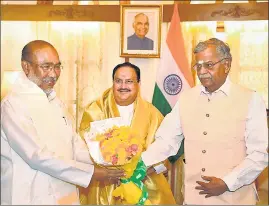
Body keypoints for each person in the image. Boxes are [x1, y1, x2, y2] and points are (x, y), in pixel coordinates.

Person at [141, 38, 268, 205]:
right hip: (194, 199)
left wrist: (227, 183)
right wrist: (139, 165)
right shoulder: (186, 99)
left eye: (209, 65)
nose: (201, 71)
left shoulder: (251, 99)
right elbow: (166, 141)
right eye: (198, 66)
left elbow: (260, 153)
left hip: (235, 198)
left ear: (227, 65)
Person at [1, 40, 124, 205]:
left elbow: (74, 145)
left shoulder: (55, 101)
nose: (53, 74)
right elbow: (37, 156)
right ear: (26, 67)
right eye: (46, 67)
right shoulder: (14, 104)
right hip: (29, 194)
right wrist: (92, 172)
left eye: (57, 66)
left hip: (63, 192)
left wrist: (107, 160)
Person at [79, 62, 176, 205]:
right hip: (105, 185)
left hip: (144, 183)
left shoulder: (153, 114)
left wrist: (142, 170)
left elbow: (164, 151)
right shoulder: (95, 110)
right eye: (118, 81)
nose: (123, 86)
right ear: (113, 82)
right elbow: (82, 148)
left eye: (129, 81)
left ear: (138, 84)